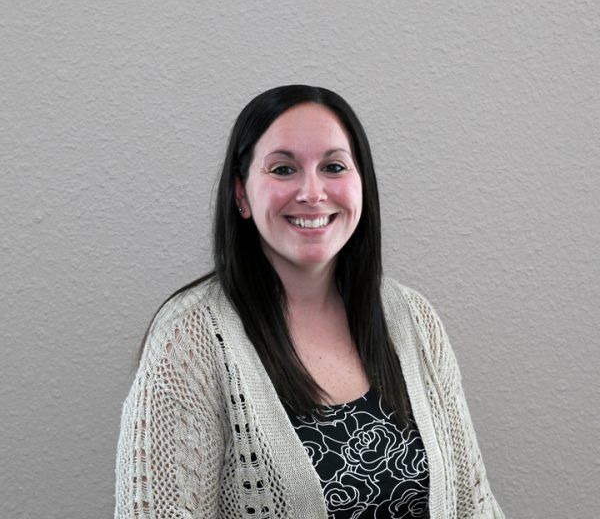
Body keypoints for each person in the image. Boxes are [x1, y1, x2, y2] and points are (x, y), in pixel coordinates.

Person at [114, 85, 504, 518]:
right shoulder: (190, 339)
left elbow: (473, 504)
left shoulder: (412, 317)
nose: (313, 193)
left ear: (361, 185)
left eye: (333, 166)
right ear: (242, 195)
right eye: (283, 170)